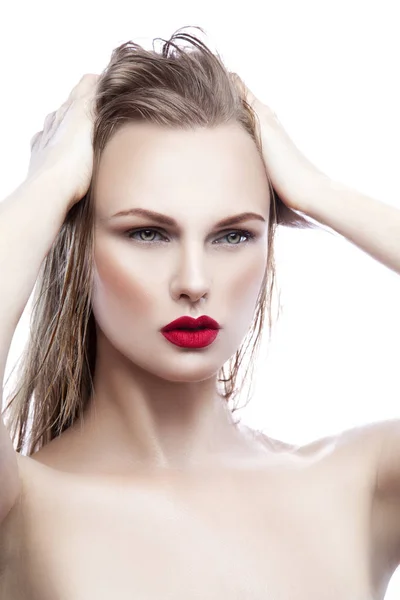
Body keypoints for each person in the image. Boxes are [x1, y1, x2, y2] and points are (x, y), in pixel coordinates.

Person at [1, 26, 400, 600]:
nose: (193, 282)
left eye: (233, 236)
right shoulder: (21, 510)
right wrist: (47, 188)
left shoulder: (360, 485)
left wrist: (320, 192)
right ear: (77, 243)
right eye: (146, 232)